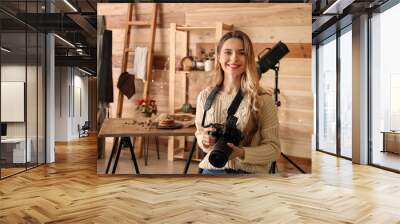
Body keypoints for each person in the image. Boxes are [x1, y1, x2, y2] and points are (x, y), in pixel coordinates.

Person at [195, 30, 280, 174]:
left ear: (249, 58)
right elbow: (199, 132)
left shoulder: (263, 99)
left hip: (248, 174)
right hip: (211, 170)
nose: (234, 59)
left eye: (242, 53)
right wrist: (204, 140)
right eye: (228, 52)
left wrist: (241, 153)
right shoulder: (204, 96)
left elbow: (274, 150)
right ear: (219, 57)